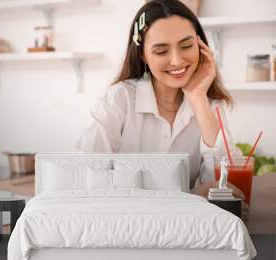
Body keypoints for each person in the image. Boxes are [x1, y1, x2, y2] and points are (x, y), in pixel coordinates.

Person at [75, 0, 245, 200]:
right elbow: (87, 178)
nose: (177, 60)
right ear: (143, 56)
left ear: (200, 46)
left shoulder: (209, 106)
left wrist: (198, 98)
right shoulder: (118, 100)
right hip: (122, 222)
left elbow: (228, 185)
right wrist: (191, 196)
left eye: (187, 46)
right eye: (161, 51)